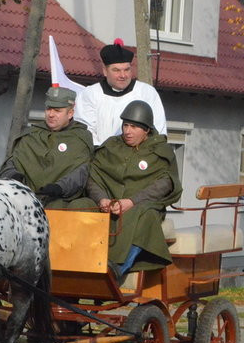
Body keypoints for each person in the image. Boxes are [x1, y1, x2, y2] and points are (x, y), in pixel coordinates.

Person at [75, 100, 181, 276]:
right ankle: (71, 264)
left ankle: (117, 268)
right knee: (78, 206)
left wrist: (132, 201)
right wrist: (102, 199)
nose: (127, 131)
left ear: (146, 130)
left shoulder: (161, 150)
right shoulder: (111, 145)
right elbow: (93, 176)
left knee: (143, 214)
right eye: (125, 125)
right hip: (107, 204)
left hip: (142, 206)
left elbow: (165, 183)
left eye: (134, 127)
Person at [0, 86, 94, 208]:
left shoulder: (80, 138)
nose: (51, 114)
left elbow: (81, 173)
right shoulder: (31, 134)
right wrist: (13, 175)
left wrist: (60, 187)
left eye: (57, 111)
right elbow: (11, 163)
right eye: (49, 109)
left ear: (70, 113)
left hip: (60, 202)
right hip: (22, 199)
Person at [74, 38, 167, 145]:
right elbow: (84, 130)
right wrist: (102, 153)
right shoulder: (90, 94)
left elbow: (158, 129)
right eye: (116, 70)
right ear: (105, 71)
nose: (123, 75)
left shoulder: (146, 92)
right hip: (100, 157)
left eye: (126, 70)